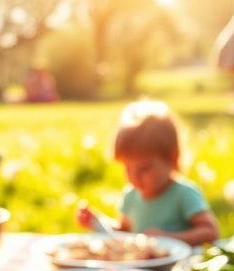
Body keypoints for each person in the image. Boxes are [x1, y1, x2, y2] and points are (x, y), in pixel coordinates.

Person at [77, 100, 220, 245]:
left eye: (144, 169)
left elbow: (210, 232)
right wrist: (98, 222)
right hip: (140, 266)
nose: (134, 176)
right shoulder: (131, 196)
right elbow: (124, 232)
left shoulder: (184, 194)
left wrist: (169, 238)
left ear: (172, 157)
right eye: (128, 168)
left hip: (179, 266)